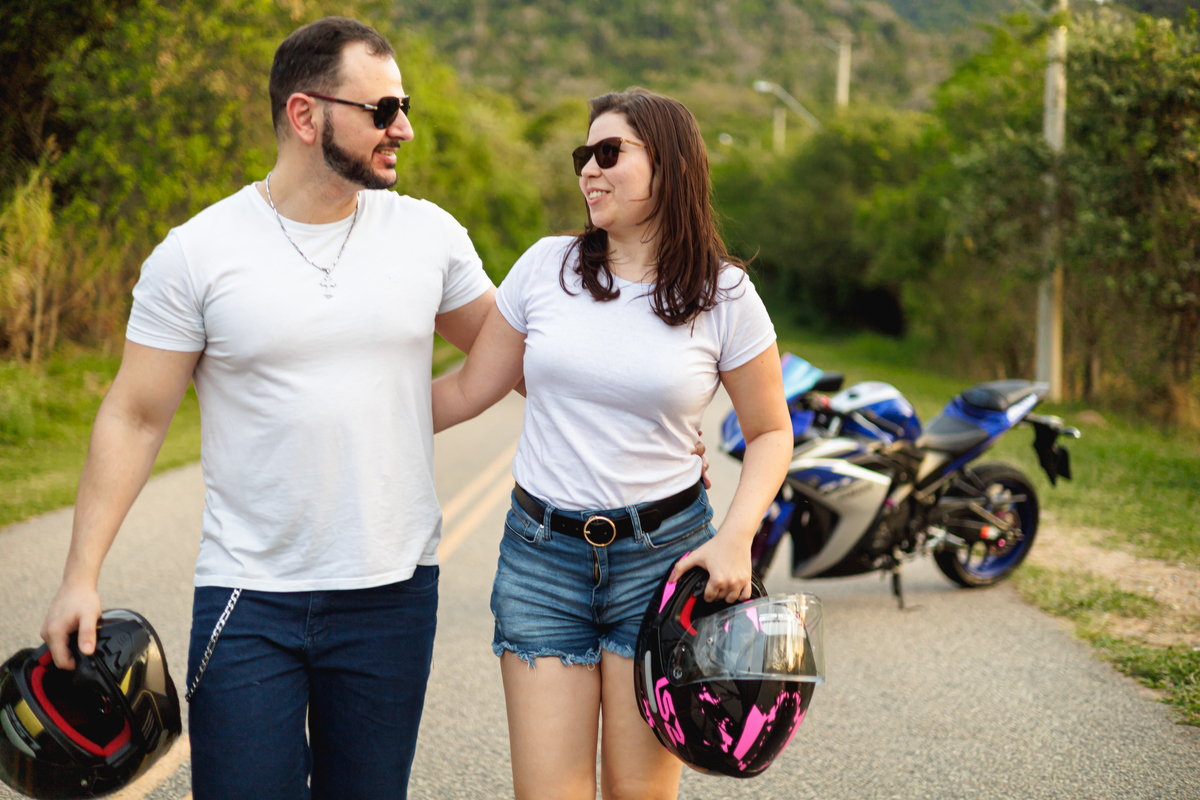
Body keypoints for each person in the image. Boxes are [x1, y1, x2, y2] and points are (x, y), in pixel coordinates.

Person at [38, 17, 497, 800]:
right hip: (249, 597)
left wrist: (649, 432)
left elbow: (509, 354)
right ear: (306, 114)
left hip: (392, 593)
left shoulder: (429, 235)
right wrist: (80, 574)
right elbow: (136, 416)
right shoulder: (198, 251)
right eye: (383, 110)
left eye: (404, 106)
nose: (405, 129)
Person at [432, 88, 793, 800]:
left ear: (670, 165)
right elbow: (467, 390)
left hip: (663, 565)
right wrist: (337, 411)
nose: (588, 172)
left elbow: (771, 431)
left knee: (637, 793)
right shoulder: (545, 266)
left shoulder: (725, 295)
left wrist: (737, 537)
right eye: (582, 156)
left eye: (608, 153)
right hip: (543, 561)